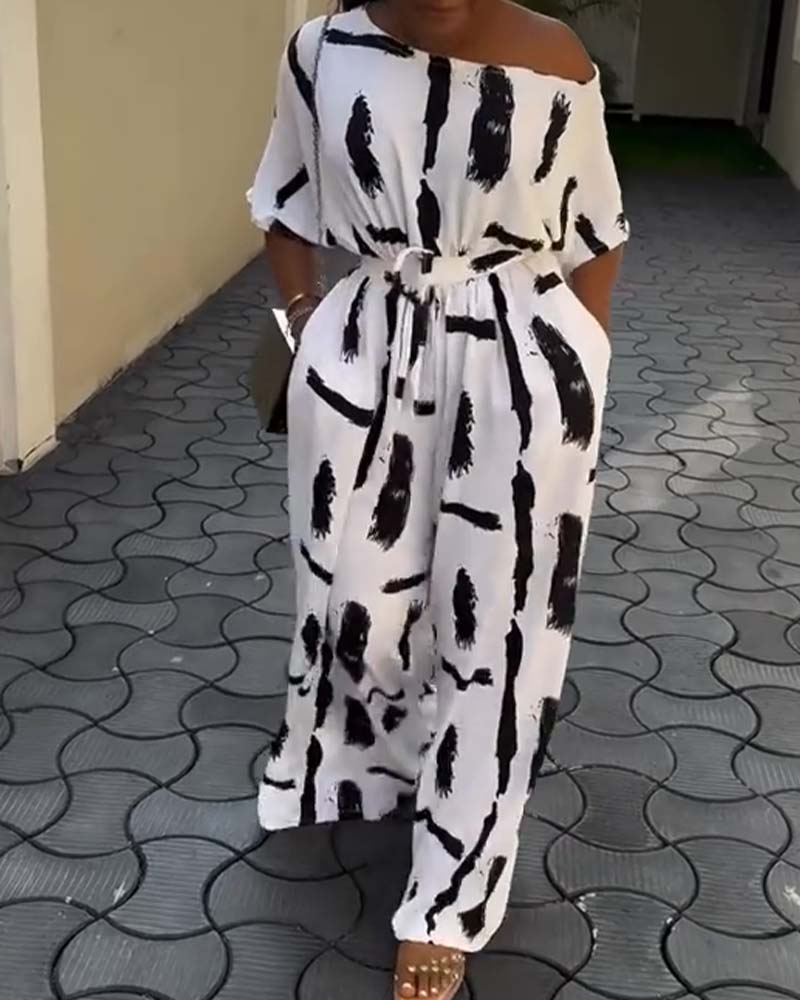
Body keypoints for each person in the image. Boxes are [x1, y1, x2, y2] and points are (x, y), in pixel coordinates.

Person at [248, 0, 628, 996]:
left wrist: (580, 365)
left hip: (519, 371)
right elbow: (282, 202)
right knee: (357, 607)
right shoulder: (321, 53)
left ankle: (450, 888)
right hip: (368, 353)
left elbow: (596, 230)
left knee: (497, 632)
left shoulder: (556, 59)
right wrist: (304, 319)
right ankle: (386, 753)